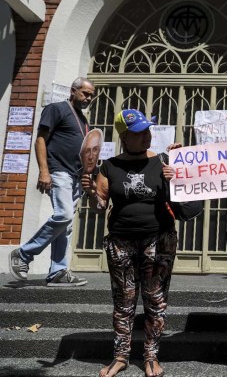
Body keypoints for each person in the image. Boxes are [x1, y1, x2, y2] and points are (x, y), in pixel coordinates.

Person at [82, 109, 179, 377]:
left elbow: (186, 194)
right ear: (125, 136)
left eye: (148, 130)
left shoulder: (162, 161)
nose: (147, 136)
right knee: (123, 302)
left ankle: (151, 357)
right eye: (139, 133)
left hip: (159, 240)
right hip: (121, 242)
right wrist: (92, 193)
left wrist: (180, 165)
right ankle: (121, 356)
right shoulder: (109, 166)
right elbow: (101, 206)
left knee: (155, 301)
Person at [8, 77, 95, 287]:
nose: (88, 98)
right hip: (58, 172)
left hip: (74, 177)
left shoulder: (83, 121)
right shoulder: (56, 109)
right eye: (85, 93)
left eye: (91, 95)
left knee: (65, 226)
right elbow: (40, 139)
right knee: (63, 215)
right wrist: (44, 171)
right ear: (73, 91)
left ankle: (58, 271)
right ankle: (23, 254)